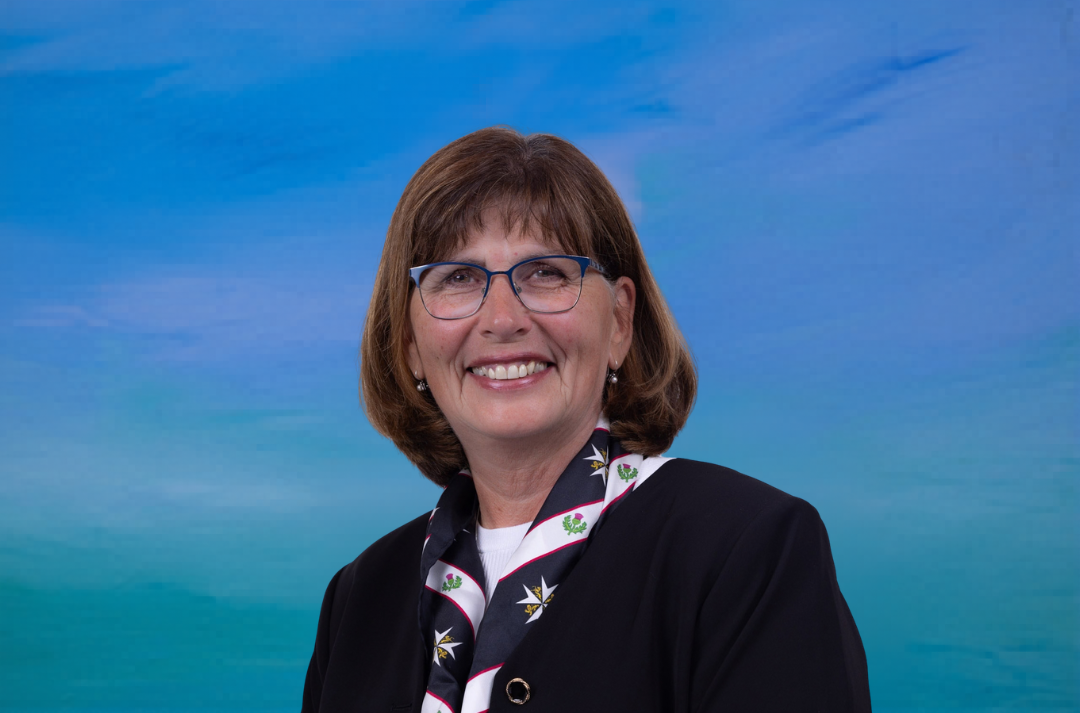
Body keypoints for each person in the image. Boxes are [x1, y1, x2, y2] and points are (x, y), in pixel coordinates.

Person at [301, 127, 871, 712]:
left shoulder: (747, 550)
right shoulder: (358, 598)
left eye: (546, 272)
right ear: (411, 345)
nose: (502, 319)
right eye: (459, 278)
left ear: (620, 322)